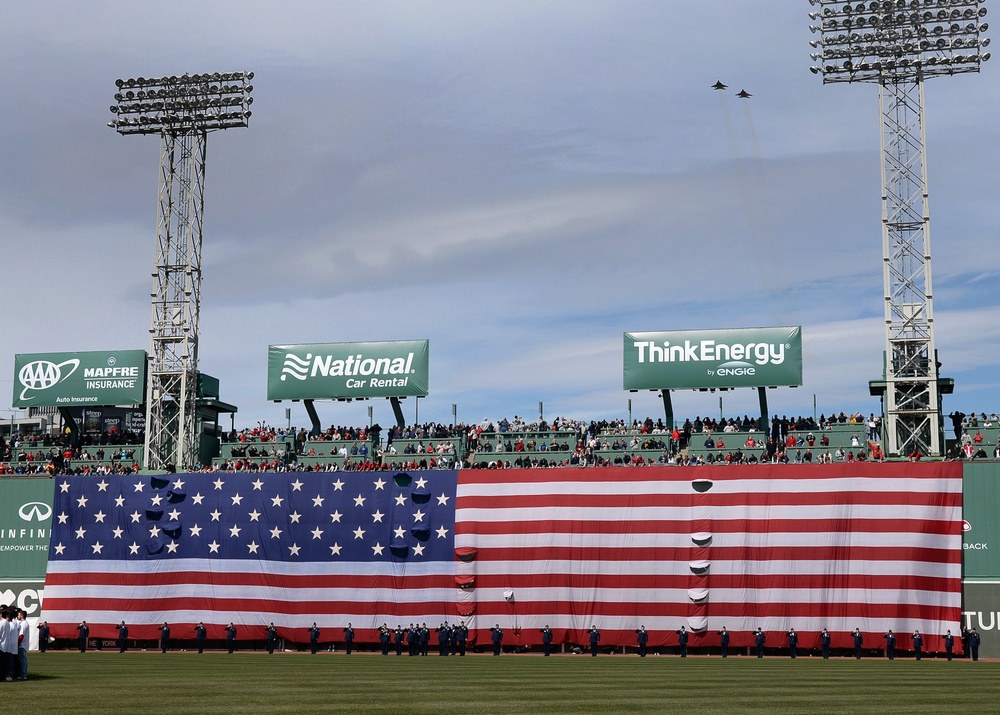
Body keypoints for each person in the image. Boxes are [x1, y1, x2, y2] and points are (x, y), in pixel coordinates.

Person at [16, 610, 28, 680]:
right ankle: (24, 674)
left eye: (19, 615)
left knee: (22, 660)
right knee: (24, 659)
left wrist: (18, 644)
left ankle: (23, 674)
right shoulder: (25, 623)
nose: (18, 616)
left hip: (21, 645)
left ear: (22, 616)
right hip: (23, 644)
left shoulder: (23, 624)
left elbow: (21, 635)